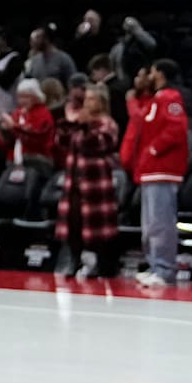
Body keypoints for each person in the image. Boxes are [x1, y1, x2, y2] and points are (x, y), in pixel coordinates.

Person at [120, 59, 189, 288]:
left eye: (151, 71)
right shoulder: (156, 100)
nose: (148, 75)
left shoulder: (170, 98)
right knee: (150, 225)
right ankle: (154, 265)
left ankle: (165, 269)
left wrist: (153, 149)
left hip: (162, 169)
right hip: (151, 170)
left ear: (159, 73)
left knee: (161, 223)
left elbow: (177, 129)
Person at [53, 84, 120, 278]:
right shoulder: (79, 122)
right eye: (86, 99)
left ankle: (101, 265)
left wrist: (84, 125)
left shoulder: (107, 123)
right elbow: (61, 143)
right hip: (74, 182)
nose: (87, 103)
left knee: (97, 227)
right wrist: (68, 124)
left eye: (91, 99)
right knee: (73, 224)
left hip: (95, 184)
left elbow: (95, 144)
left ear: (101, 102)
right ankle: (74, 261)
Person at [0, 78, 55, 169]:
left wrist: (13, 126)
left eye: (26, 97)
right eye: (20, 97)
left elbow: (36, 137)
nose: (22, 100)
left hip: (36, 160)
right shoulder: (17, 113)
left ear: (35, 97)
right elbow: (1, 141)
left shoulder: (43, 114)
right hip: (14, 159)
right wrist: (4, 131)